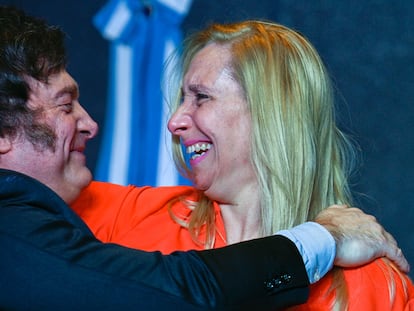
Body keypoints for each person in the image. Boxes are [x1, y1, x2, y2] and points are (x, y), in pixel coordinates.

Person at [1, 6, 409, 311]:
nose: (175, 120)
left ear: (271, 113)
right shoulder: (112, 215)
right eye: (181, 98)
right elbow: (189, 286)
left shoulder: (374, 285)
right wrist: (326, 237)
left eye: (200, 97)